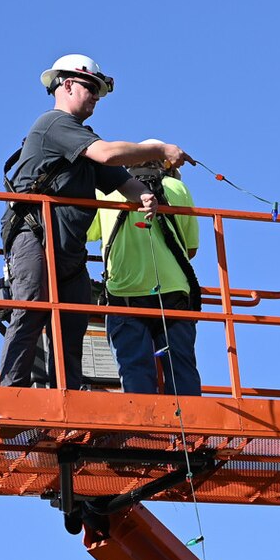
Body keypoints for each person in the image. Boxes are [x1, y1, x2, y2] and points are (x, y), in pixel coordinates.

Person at [0, 55, 188, 389]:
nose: (96, 97)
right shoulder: (53, 124)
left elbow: (121, 180)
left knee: (72, 324)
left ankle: (68, 399)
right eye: (91, 87)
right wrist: (157, 148)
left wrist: (143, 195)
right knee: (30, 309)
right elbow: (107, 155)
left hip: (67, 248)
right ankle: (9, 397)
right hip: (35, 236)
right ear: (67, 85)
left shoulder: (81, 140)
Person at [89, 162, 203, 395]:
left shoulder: (106, 189)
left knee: (135, 371)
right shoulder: (177, 187)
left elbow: (88, 233)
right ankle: (191, 431)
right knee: (182, 370)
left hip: (125, 293)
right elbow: (190, 248)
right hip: (174, 293)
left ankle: (144, 431)